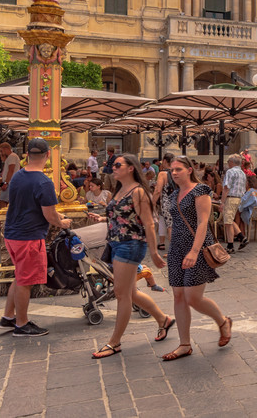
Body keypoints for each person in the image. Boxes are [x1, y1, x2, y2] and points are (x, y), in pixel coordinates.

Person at [87, 153, 171, 359]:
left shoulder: (139, 192)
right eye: (113, 165)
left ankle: (114, 342)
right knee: (130, 293)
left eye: (117, 165)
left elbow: (149, 224)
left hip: (130, 245)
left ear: (130, 168)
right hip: (116, 244)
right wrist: (101, 217)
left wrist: (153, 252)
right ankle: (163, 319)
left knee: (121, 294)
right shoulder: (121, 189)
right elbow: (120, 215)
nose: (112, 168)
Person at [0, 138, 72, 337]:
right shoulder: (44, 182)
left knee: (20, 276)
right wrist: (62, 222)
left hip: (12, 234)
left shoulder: (18, 177)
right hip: (29, 237)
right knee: (26, 281)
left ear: (27, 156)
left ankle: (8, 317)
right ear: (48, 156)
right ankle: (21, 324)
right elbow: (49, 215)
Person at [162, 156, 231, 360]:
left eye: (178, 169)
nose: (174, 173)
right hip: (177, 248)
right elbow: (172, 222)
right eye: (172, 170)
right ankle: (184, 344)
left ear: (190, 170)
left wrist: (193, 251)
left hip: (197, 247)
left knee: (193, 297)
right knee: (178, 296)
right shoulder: (174, 193)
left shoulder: (200, 191)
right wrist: (170, 245)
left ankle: (222, 321)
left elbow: (203, 223)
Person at [221, 155, 247, 253]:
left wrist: (222, 202)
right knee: (230, 219)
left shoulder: (230, 171)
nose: (227, 163)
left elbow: (226, 188)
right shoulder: (242, 173)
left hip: (231, 198)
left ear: (232, 162)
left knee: (228, 222)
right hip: (238, 198)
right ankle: (241, 237)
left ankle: (230, 245)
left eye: (228, 161)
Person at [152, 153, 175, 250]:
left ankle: (172, 250)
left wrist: (152, 203)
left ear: (165, 161)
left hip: (167, 203)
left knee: (170, 226)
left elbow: (158, 190)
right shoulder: (177, 172)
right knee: (175, 226)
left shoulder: (162, 174)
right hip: (178, 201)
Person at [0, 142, 21, 207]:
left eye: (1, 151)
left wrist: (5, 183)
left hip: (9, 183)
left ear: (6, 149)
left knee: (2, 201)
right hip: (10, 182)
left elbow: (11, 170)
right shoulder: (11, 157)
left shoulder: (12, 156)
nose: (1, 152)